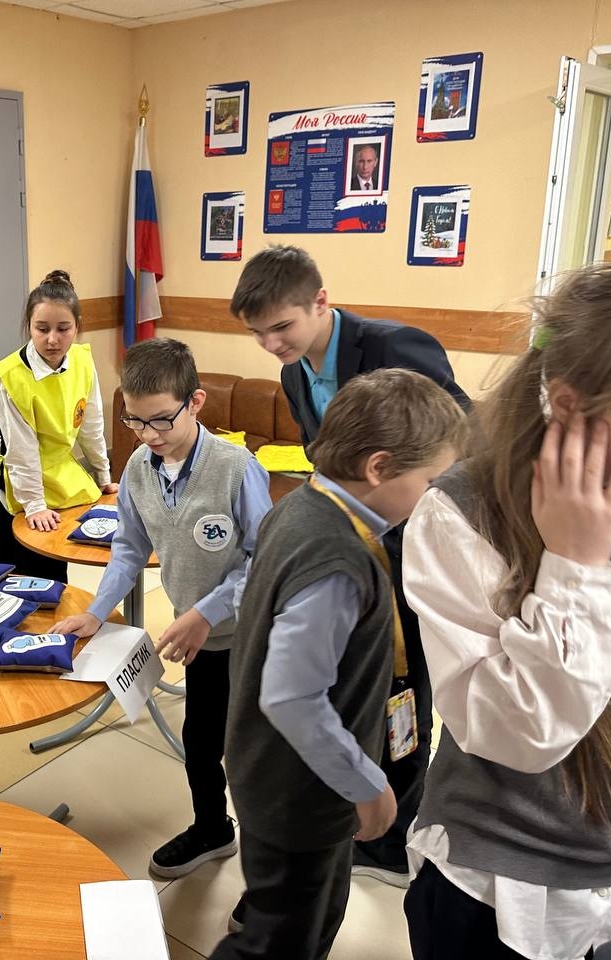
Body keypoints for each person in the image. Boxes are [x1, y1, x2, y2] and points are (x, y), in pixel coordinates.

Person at [401, 262, 611, 960]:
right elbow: (517, 736)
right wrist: (577, 569)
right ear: (569, 405)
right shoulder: (460, 514)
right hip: (502, 885)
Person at [232, 243, 469, 886]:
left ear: (321, 302)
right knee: (351, 681)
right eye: (258, 334)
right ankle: (363, 790)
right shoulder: (294, 373)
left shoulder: (394, 348)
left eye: (282, 327)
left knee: (404, 681)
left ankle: (398, 827)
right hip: (349, 538)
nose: (272, 345)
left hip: (411, 540)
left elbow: (458, 445)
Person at [214, 369, 466, 960]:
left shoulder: (302, 506)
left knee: (302, 913)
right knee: (284, 940)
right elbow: (292, 697)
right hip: (302, 794)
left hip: (282, 776)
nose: (432, 497)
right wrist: (368, 785)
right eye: (430, 482)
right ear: (379, 468)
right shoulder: (336, 557)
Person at [51, 338, 272, 879]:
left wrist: (205, 612)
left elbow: (264, 562)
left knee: (255, 755)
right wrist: (98, 611)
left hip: (253, 638)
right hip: (203, 641)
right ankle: (213, 829)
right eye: (134, 421)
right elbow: (129, 546)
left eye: (160, 421)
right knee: (200, 742)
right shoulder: (138, 468)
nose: (148, 435)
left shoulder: (236, 469)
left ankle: (271, 873)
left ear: (195, 403)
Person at [0, 269, 116, 581]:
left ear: (77, 326)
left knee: (51, 577)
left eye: (63, 329)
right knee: (8, 582)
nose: (52, 339)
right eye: (42, 329)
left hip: (51, 480)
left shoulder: (82, 361)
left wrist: (103, 478)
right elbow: (21, 451)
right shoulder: (9, 378)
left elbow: (91, 424)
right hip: (3, 486)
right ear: (28, 326)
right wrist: (34, 506)